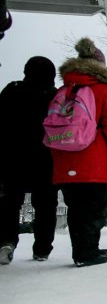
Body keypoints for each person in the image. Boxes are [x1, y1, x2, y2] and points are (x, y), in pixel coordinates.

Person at [50, 38, 107, 267]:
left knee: (76, 207)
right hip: (92, 160)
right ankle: (87, 252)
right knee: (93, 206)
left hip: (64, 156)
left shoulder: (65, 89)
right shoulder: (102, 90)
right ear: (100, 67)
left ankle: (83, 251)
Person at [0, 57, 59, 265]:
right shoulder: (53, 96)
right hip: (45, 159)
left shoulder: (11, 91)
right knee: (46, 204)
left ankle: (6, 242)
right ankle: (42, 248)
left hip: (11, 159)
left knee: (9, 203)